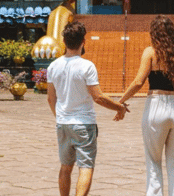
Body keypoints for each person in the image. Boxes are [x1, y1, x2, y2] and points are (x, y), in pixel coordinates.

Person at [47, 21, 129, 196]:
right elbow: (98, 96)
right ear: (83, 42)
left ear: (64, 42)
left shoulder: (53, 66)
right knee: (85, 166)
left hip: (63, 123)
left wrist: (60, 116)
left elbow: (50, 98)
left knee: (65, 167)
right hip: (84, 124)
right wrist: (119, 107)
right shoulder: (86, 66)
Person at [119, 15, 174, 196]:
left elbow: (138, 82)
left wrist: (121, 101)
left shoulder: (151, 52)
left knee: (153, 162)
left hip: (156, 106)